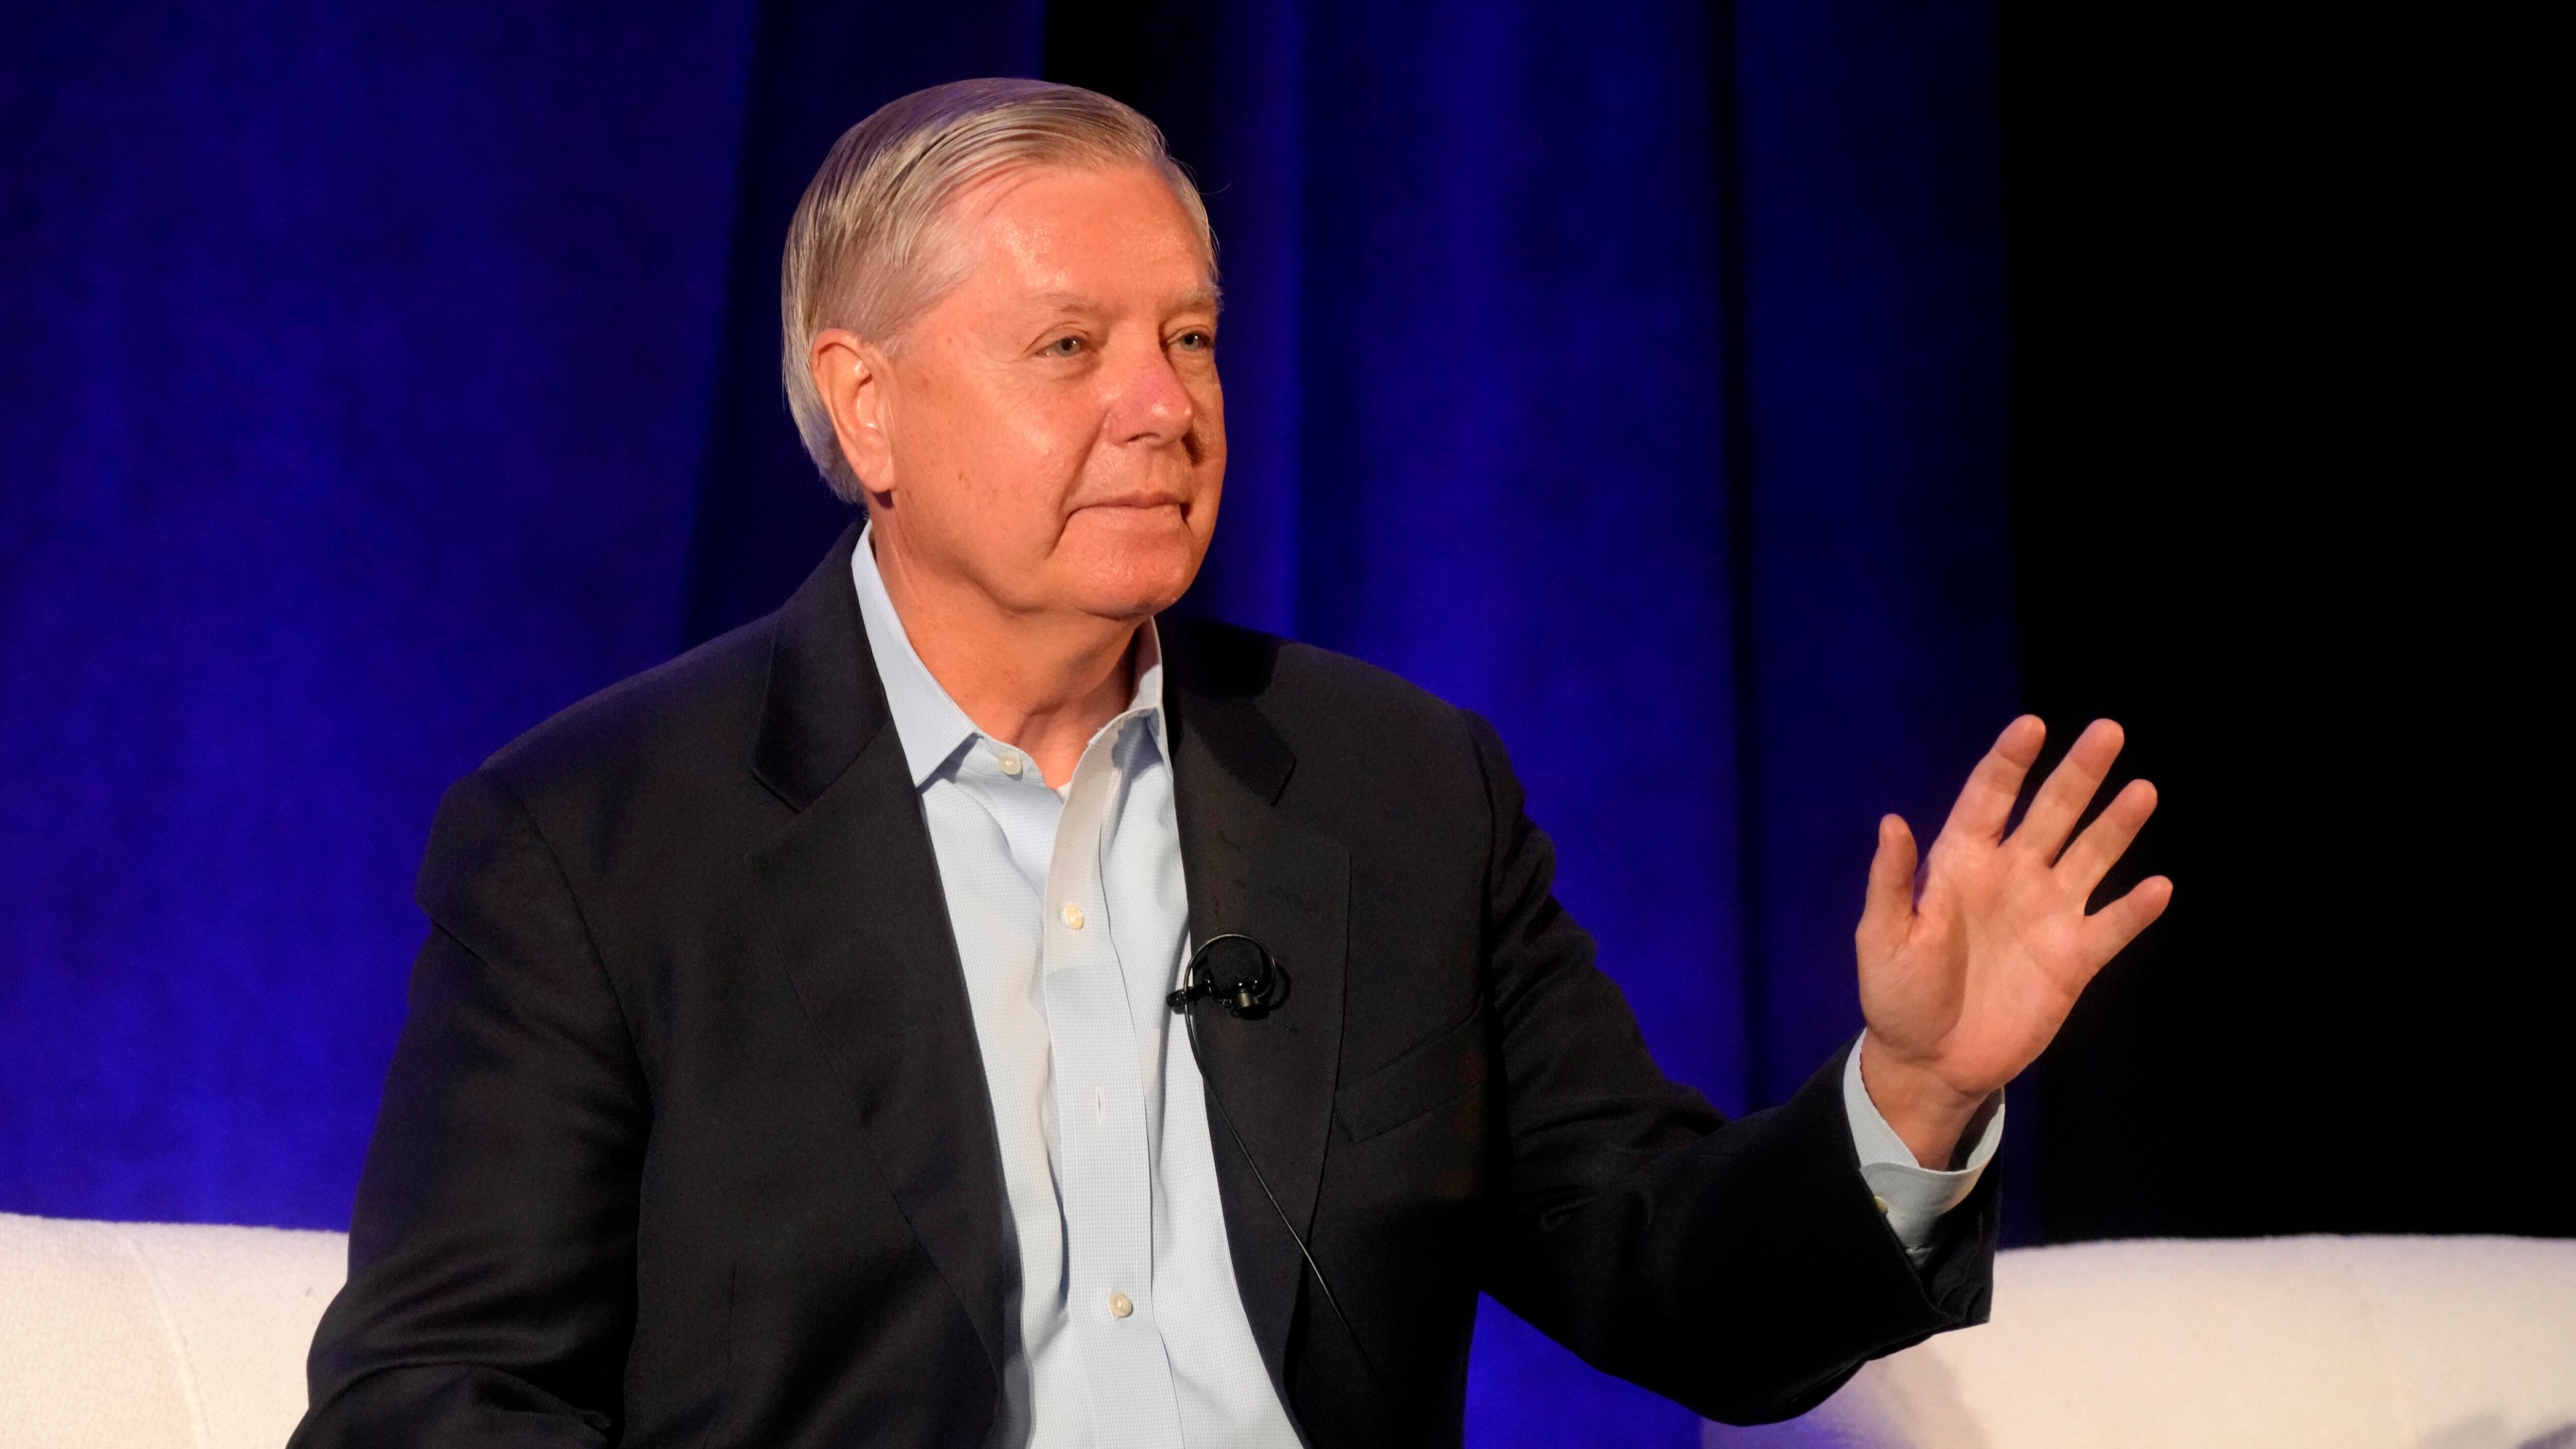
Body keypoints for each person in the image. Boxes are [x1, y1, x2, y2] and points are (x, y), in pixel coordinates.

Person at [292, 78, 2168, 1449]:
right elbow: (435, 1397)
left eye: (1189, 337)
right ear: (869, 407)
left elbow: (1664, 1273)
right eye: (1069, 344)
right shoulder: (600, 838)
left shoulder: (1399, 790)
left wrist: (1913, 1090)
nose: (1164, 405)